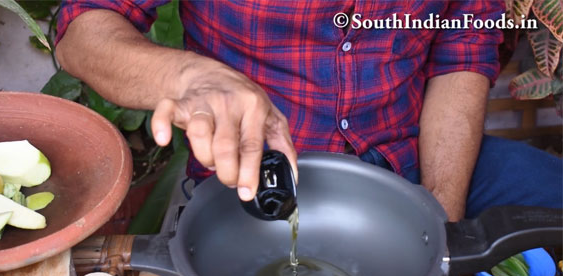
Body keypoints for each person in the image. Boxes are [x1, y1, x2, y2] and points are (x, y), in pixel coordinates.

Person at [55, 1, 562, 222]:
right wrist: (190, 77)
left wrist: (440, 220)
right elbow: (81, 33)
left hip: (413, 160)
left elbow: (462, 56)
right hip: (258, 176)